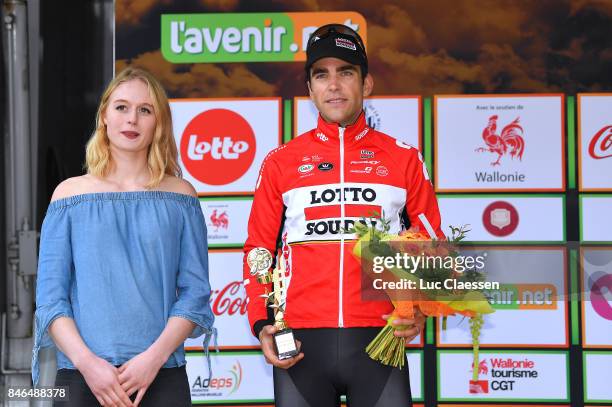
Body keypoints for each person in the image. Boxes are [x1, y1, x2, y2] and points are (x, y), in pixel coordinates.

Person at [243, 24, 445, 406]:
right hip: (301, 343)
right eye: (322, 75)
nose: (333, 85)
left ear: (366, 84)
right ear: (310, 90)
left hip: (380, 339)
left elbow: (431, 241)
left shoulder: (403, 158)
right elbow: (258, 251)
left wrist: (420, 307)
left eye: (346, 72)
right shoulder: (280, 162)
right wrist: (263, 324)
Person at [33, 67, 214, 407]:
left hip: (161, 376)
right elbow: (50, 300)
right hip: (82, 378)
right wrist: (89, 365)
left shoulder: (182, 196)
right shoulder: (68, 195)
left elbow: (195, 295)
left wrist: (153, 359)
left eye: (145, 110)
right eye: (121, 107)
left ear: (158, 122)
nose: (132, 119)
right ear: (104, 115)